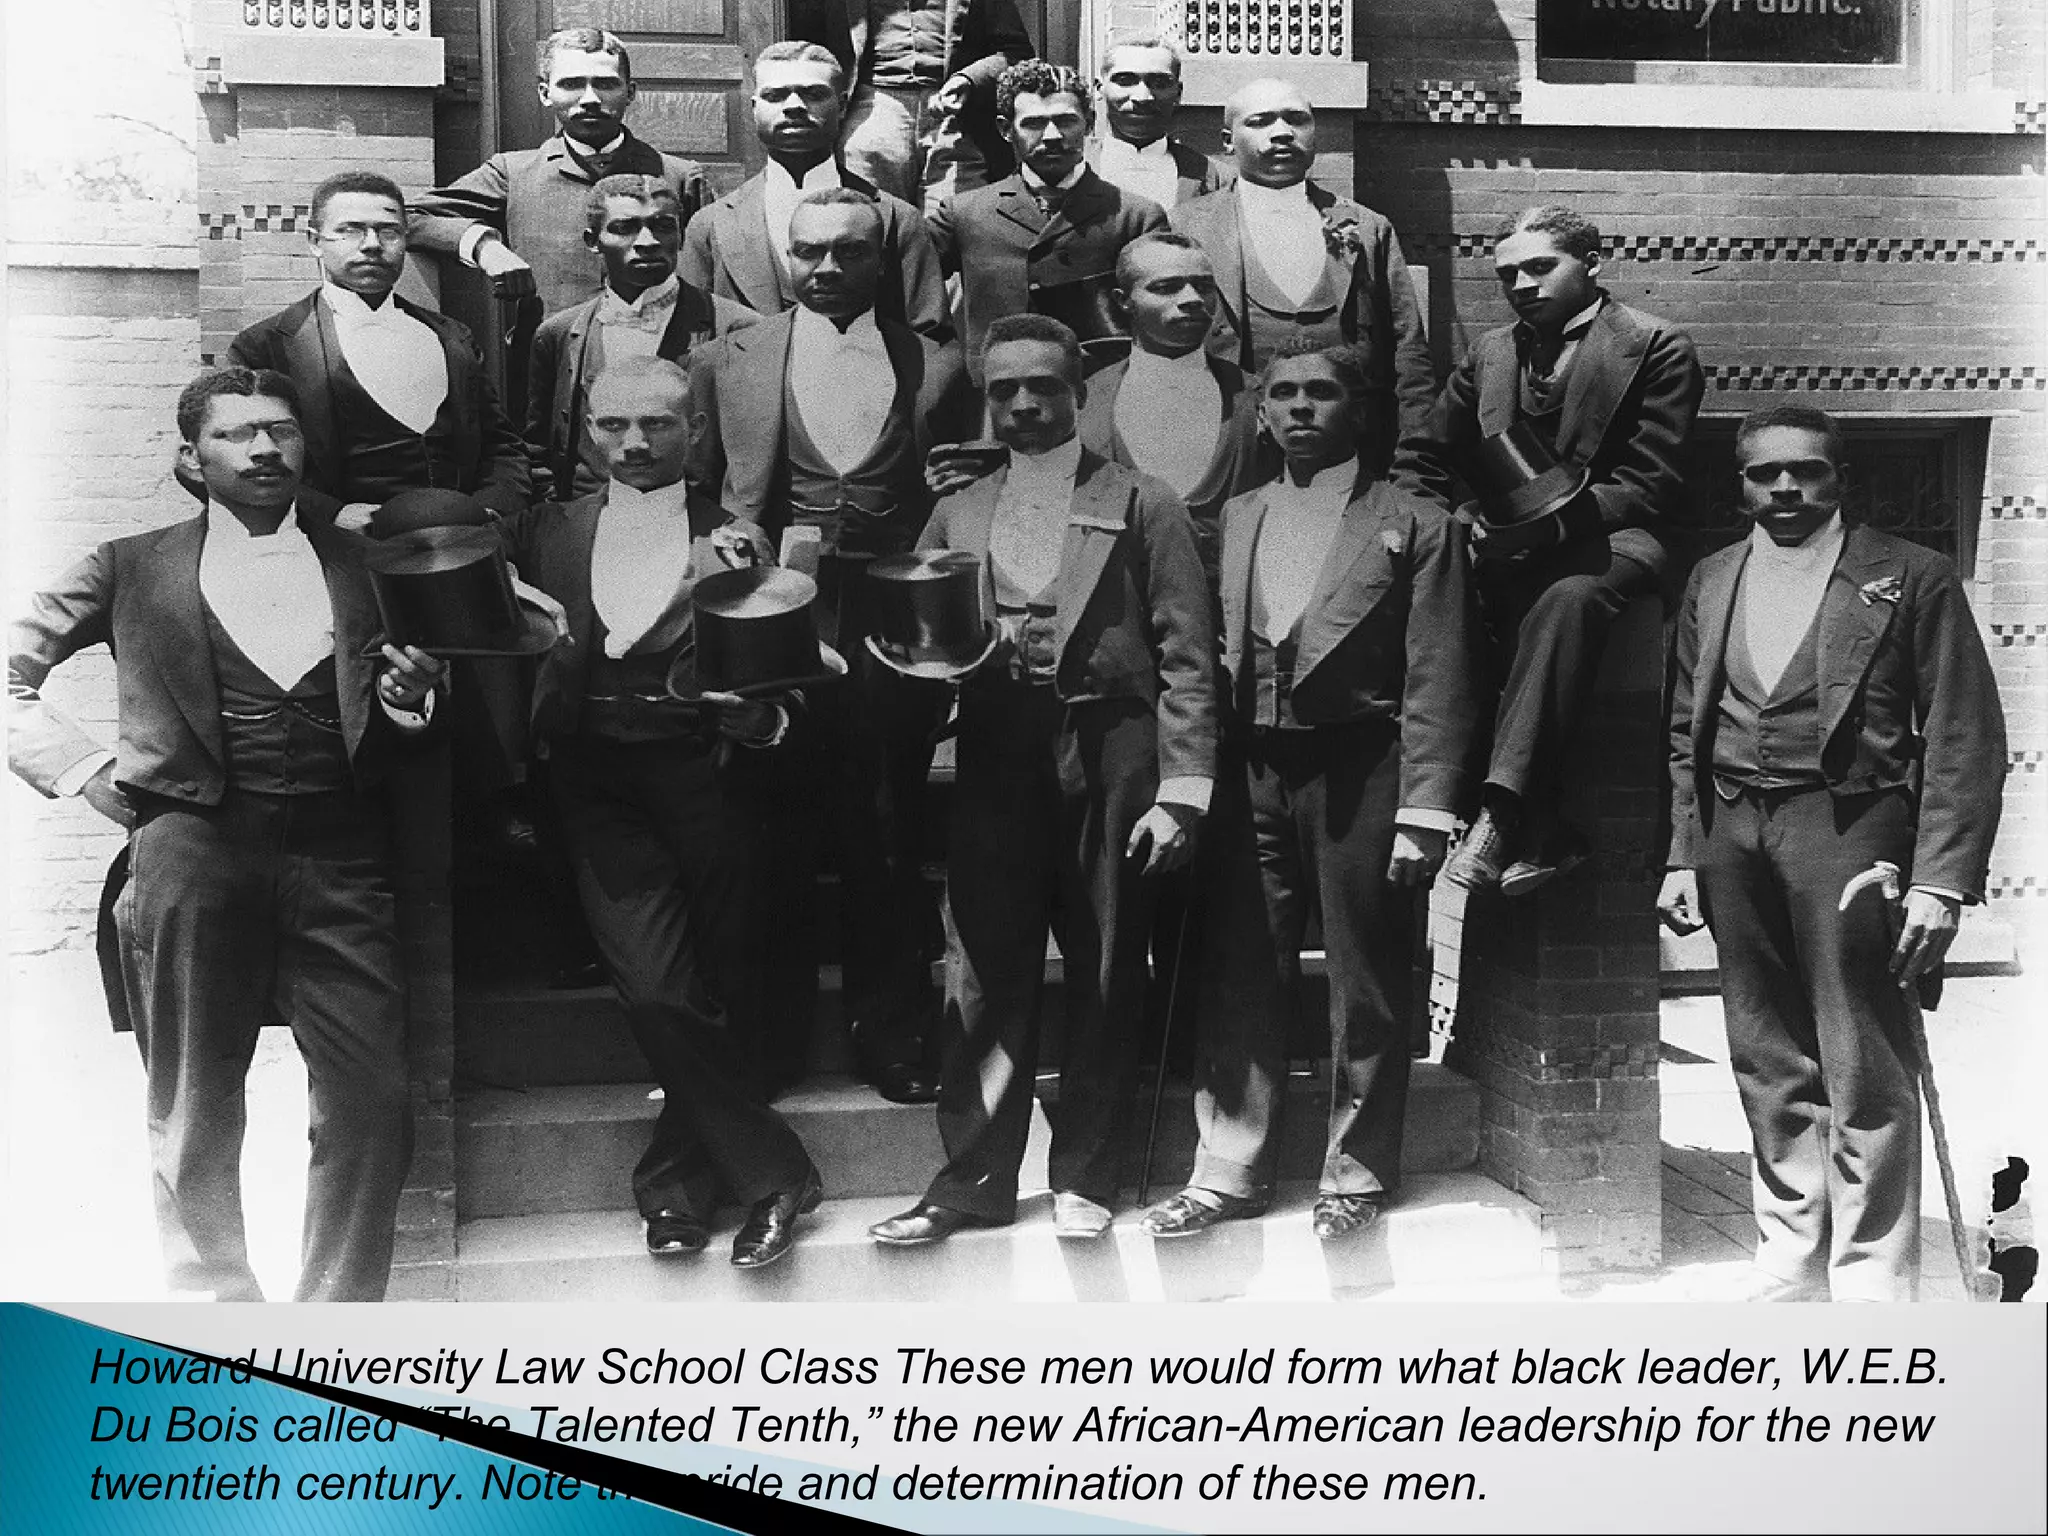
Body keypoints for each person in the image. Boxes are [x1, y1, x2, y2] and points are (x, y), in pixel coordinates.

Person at [7, 367, 449, 1301]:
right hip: (193, 854)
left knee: (373, 1097)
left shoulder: (365, 563)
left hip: (342, 852)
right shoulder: (127, 564)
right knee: (195, 1104)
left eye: (281, 432)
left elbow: (425, 697)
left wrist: (412, 703)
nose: (263, 451)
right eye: (238, 434)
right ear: (189, 458)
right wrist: (87, 773)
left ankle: (337, 1322)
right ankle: (222, 1310)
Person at [867, 315, 1216, 1246]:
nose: (1023, 405)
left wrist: (1185, 790)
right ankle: (971, 1181)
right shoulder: (959, 508)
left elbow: (1188, 653)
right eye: (1004, 391)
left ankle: (1089, 1178)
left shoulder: (1145, 500)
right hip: (996, 752)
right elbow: (925, 640)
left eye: (1044, 389)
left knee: (1106, 962)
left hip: (1113, 751)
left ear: (1079, 393)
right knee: (982, 969)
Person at [1657, 404, 2006, 1303]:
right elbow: (1679, 726)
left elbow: (1965, 732)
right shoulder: (1712, 578)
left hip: (1848, 830)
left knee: (1861, 1052)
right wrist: (1680, 853)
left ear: (1838, 477)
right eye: (1763, 473)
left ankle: (1873, 1272)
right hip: (1733, 827)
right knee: (1764, 1048)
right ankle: (1789, 1246)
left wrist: (1940, 881)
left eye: (1805, 471)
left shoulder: (1910, 575)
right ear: (1739, 482)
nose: (1784, 488)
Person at [1140, 342, 1479, 1242]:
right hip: (1252, 766)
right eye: (1281, 394)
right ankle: (1228, 1170)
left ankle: (1357, 1169)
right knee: (1241, 966)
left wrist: (1426, 808)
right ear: (1259, 414)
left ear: (1359, 411)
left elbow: (1438, 671)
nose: (1298, 409)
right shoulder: (1239, 513)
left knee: (1365, 977)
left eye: (1321, 392)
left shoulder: (1416, 521)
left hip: (1361, 770)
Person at [497, 357, 825, 1269]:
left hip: (709, 775)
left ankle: (678, 1190)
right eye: (612, 426)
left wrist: (763, 717)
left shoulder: (740, 539)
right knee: (656, 988)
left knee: (717, 986)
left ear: (696, 432)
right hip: (595, 782)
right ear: (586, 430)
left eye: (657, 425)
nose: (633, 443)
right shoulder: (540, 532)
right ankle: (773, 1177)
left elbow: (787, 677)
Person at [690, 187, 977, 1101]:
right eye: (807, 253)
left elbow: (970, 475)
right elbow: (691, 486)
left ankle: (891, 1035)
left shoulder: (939, 364)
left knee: (886, 829)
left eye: (848, 254)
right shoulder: (727, 359)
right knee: (768, 826)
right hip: (775, 617)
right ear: (785, 259)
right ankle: (766, 1046)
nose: (825, 270)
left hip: (898, 625)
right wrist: (724, 538)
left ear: (882, 262)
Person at [1404, 205, 1704, 895]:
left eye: (1541, 267)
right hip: (1510, 542)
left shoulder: (1656, 346)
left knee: (1567, 601)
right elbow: (1423, 451)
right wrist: (1436, 523)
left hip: (1614, 538)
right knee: (1437, 595)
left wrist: (1531, 534)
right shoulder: (1490, 352)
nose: (1522, 284)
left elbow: (1647, 482)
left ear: (1591, 264)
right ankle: (1542, 829)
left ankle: (1501, 813)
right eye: (1509, 274)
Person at [227, 171, 531, 525]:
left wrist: (490, 508)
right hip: (339, 554)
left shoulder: (453, 338)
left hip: (464, 549)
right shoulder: (264, 347)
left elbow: (502, 446)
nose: (372, 244)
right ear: (314, 241)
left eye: (389, 231)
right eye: (350, 230)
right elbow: (239, 459)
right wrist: (330, 514)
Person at [1170, 79, 1432, 470]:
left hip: (1353, 457)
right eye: (1260, 122)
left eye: (1297, 120)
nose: (1282, 133)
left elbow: (1409, 354)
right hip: (1228, 456)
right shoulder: (1184, 227)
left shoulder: (1367, 227)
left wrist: (1414, 467)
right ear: (1228, 140)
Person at [408, 28, 709, 315]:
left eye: (605, 84)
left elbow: (713, 271)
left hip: (661, 355)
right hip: (550, 359)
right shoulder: (513, 174)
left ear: (629, 92)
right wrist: (483, 245)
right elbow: (408, 218)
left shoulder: (679, 177)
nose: (590, 98)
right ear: (544, 93)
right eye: (571, 84)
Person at [679, 42, 950, 340]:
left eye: (814, 94)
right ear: (754, 109)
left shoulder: (898, 218)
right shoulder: (711, 225)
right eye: (775, 95)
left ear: (843, 106)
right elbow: (694, 344)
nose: (794, 105)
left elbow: (932, 340)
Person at [928, 61, 1169, 383]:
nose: (1053, 136)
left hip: (1098, 397)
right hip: (992, 401)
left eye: (1066, 121)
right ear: (1004, 129)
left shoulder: (1136, 217)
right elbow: (910, 291)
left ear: (1089, 123)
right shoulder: (964, 213)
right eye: (1034, 123)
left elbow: (1159, 317)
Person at [528, 175, 755, 503]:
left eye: (663, 226)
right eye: (625, 227)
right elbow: (538, 450)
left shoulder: (738, 329)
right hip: (592, 531)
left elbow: (754, 455)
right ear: (593, 241)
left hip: (697, 530)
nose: (647, 240)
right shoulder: (558, 334)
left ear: (679, 237)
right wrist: (563, 522)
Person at [1076, 232, 1263, 573]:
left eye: (1204, 286)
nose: (1193, 299)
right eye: (1166, 288)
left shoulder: (1256, 397)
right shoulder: (1085, 403)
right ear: (1123, 301)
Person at [790, 0, 1034, 210]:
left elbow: (1016, 52)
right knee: (870, 218)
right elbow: (806, 48)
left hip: (956, 113)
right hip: (872, 109)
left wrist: (969, 79)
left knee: (955, 220)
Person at [1086, 37, 1227, 210]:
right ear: (1099, 88)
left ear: (1178, 92)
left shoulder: (1216, 178)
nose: (1142, 97)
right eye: (1125, 81)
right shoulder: (1070, 166)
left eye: (1160, 83)